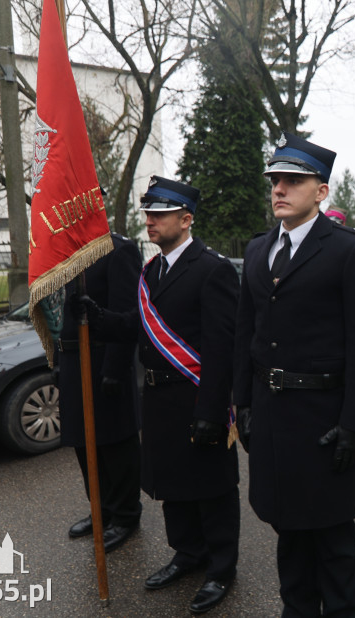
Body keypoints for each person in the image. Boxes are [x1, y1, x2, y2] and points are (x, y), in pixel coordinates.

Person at [233, 132, 355, 618]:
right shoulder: (259, 251)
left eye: (293, 181)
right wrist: (243, 405)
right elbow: (246, 335)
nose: (280, 188)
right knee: (289, 530)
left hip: (324, 419)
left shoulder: (348, 250)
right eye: (275, 180)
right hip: (273, 417)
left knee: (333, 536)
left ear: (321, 191)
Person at [82, 177, 241, 614]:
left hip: (195, 396)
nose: (149, 220)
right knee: (172, 484)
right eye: (148, 213)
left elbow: (221, 348)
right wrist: (99, 318)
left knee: (211, 487)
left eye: (160, 213)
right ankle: (188, 553)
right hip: (158, 400)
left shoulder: (214, 269)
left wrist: (213, 409)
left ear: (186, 219)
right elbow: (137, 326)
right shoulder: (152, 270)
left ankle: (221, 567)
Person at [57, 232, 142, 555]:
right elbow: (58, 311)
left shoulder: (118, 250)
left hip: (103, 360)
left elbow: (127, 313)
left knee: (115, 445)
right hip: (73, 361)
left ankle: (125, 515)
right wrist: (56, 357)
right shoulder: (66, 250)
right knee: (83, 444)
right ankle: (101, 510)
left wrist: (115, 368)